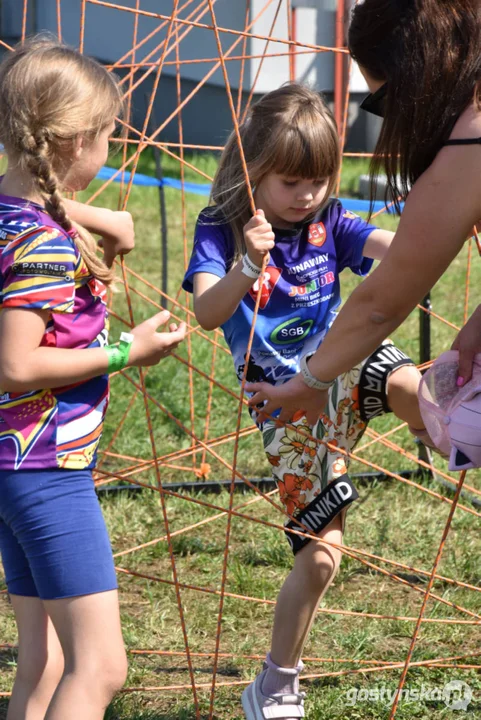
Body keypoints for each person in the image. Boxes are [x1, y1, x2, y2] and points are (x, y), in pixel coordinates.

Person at [183, 83, 429, 720]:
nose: (308, 196)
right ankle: (274, 682)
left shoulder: (328, 219)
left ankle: (456, 436)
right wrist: (245, 265)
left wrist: (445, 222)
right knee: (321, 559)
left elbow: (391, 249)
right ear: (253, 170)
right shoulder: (222, 226)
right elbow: (207, 313)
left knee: (413, 389)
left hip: (337, 368)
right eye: (292, 182)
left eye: (319, 180)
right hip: (284, 405)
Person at [0, 37, 186, 720]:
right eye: (109, 134)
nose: (110, 146)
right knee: (100, 668)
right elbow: (16, 365)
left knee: (45, 660)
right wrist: (125, 352)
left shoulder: (13, 215)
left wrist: (101, 216)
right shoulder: (43, 244)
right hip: (44, 469)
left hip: (13, 467)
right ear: (78, 141)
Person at [246, 0, 481, 429]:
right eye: (290, 183)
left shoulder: (468, 146)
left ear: (418, 74)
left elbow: (380, 304)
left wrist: (312, 380)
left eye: (385, 99)